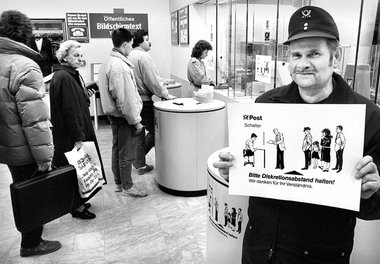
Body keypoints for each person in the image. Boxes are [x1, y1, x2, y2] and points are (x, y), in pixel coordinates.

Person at [214, 6, 380, 264]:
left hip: (320, 256)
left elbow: (375, 207)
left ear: (334, 58)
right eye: (296, 55)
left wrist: (370, 192)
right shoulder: (267, 104)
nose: (303, 64)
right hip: (260, 249)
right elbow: (254, 170)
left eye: (314, 54)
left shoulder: (367, 116)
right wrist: (233, 168)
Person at [0, 10, 61, 257]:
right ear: (26, 34)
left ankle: (30, 237)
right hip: (25, 148)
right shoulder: (24, 65)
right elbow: (35, 122)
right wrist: (45, 158)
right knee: (32, 194)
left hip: (7, 144)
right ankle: (32, 242)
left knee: (20, 188)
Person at [50, 40, 106, 219]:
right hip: (71, 134)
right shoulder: (64, 77)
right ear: (64, 57)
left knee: (78, 168)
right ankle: (77, 207)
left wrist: (85, 95)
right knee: (75, 168)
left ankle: (79, 201)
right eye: (76, 55)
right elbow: (70, 111)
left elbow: (77, 103)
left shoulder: (71, 75)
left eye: (81, 55)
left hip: (76, 130)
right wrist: (78, 136)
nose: (80, 58)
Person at [98, 28, 147, 197]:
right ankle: (128, 186)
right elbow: (125, 99)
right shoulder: (120, 66)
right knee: (126, 153)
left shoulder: (109, 61)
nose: (132, 49)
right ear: (125, 44)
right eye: (131, 45)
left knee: (116, 149)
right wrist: (136, 121)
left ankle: (119, 183)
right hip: (124, 117)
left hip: (114, 116)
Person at [128, 29, 175, 175]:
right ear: (139, 41)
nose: (150, 42)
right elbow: (152, 81)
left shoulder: (129, 55)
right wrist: (165, 94)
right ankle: (139, 162)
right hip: (144, 101)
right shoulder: (143, 56)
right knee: (156, 132)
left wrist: (162, 82)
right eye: (147, 39)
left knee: (139, 132)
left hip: (133, 101)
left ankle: (138, 162)